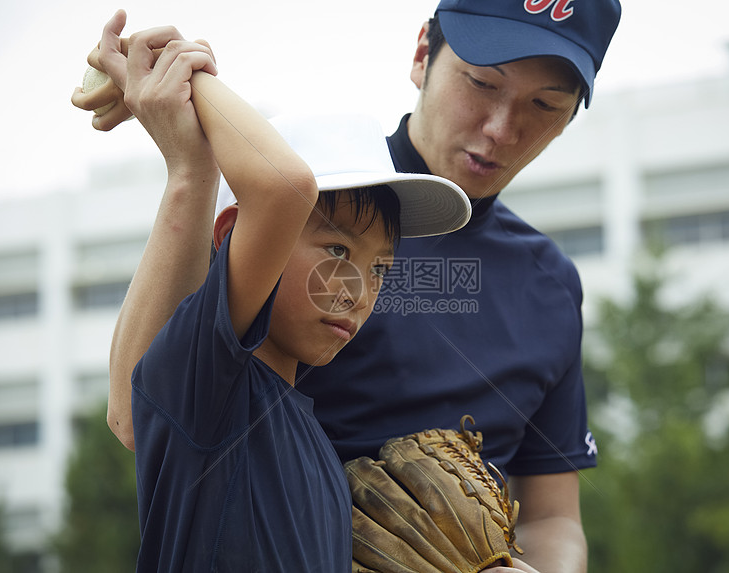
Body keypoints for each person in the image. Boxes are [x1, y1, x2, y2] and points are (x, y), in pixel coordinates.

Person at [74, 2, 621, 571]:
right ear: (422, 55)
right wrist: (185, 92)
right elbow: (144, 411)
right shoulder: (292, 210)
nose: (501, 128)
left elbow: (553, 517)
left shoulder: (553, 283)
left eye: (545, 104)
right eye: (482, 83)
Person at [83, 11, 472, 571]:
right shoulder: (215, 385)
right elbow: (286, 187)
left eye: (381, 269)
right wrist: (189, 80)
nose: (357, 291)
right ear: (231, 236)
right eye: (337, 251)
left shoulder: (313, 442)